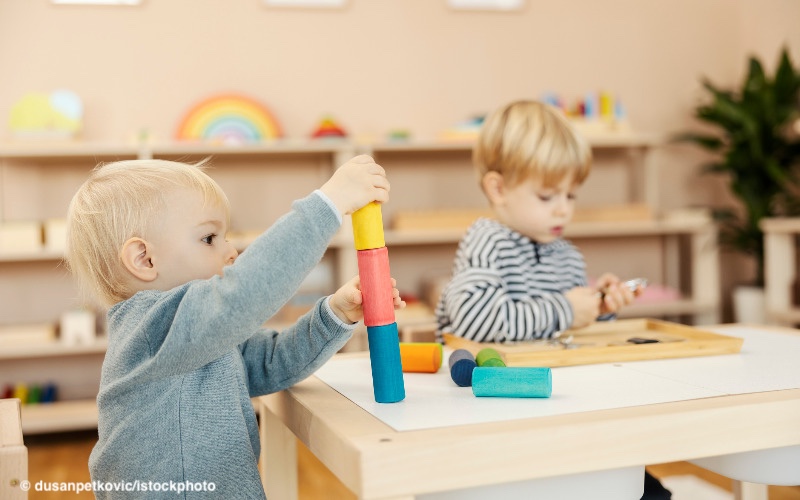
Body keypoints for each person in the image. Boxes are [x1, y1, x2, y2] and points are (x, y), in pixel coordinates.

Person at [66, 156, 404, 499]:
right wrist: (329, 202)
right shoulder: (152, 326)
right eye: (210, 237)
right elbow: (245, 291)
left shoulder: (199, 334)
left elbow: (271, 361)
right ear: (144, 259)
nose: (231, 251)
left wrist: (335, 313)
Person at [434, 100, 670, 500]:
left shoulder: (567, 255)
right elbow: (472, 320)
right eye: (547, 196)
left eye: (572, 195)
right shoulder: (486, 239)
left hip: (559, 408)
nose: (563, 208)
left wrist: (599, 308)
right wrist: (567, 307)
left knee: (643, 490)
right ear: (498, 188)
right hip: (494, 419)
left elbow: (565, 331)